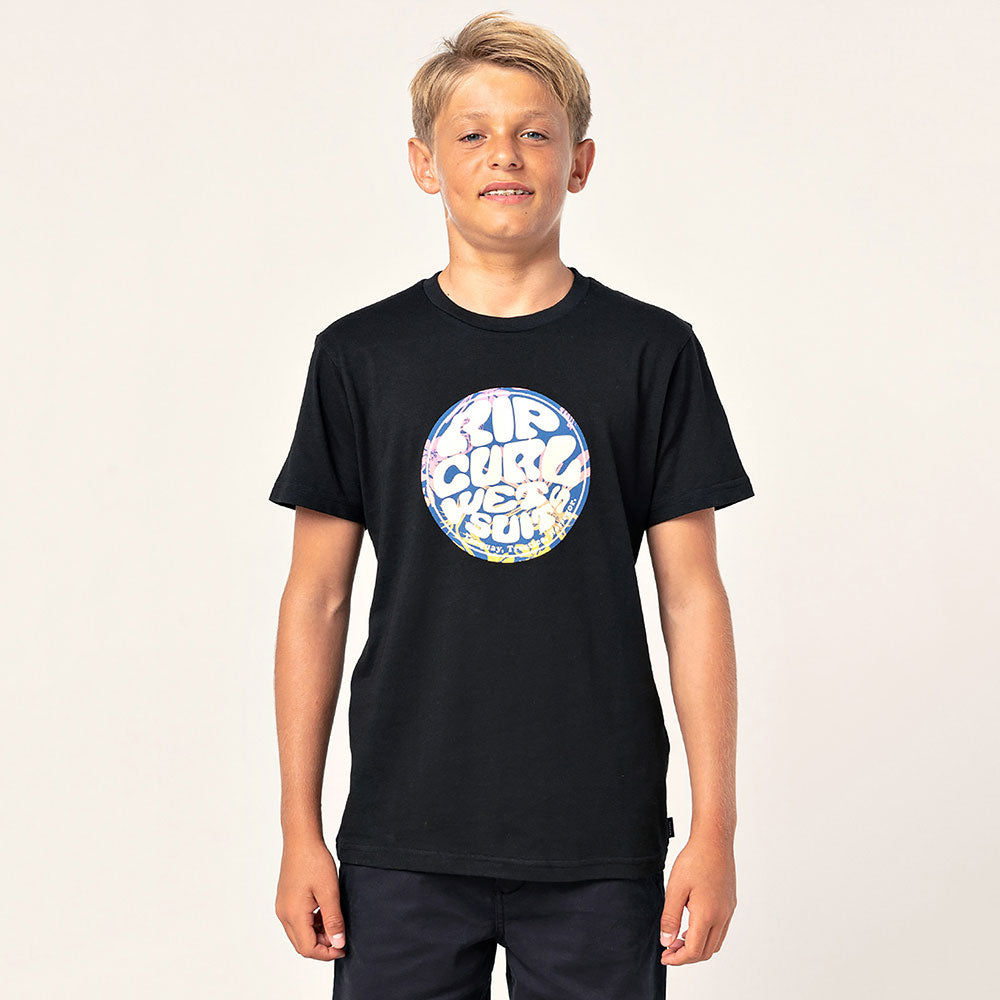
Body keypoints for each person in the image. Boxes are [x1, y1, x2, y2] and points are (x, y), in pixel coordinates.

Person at [269, 10, 754, 998]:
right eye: (473, 133)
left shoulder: (649, 352)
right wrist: (298, 830)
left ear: (579, 163)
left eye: (535, 131)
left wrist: (714, 828)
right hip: (402, 834)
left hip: (598, 838)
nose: (506, 154)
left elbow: (692, 597)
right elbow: (316, 598)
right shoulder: (361, 356)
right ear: (424, 163)